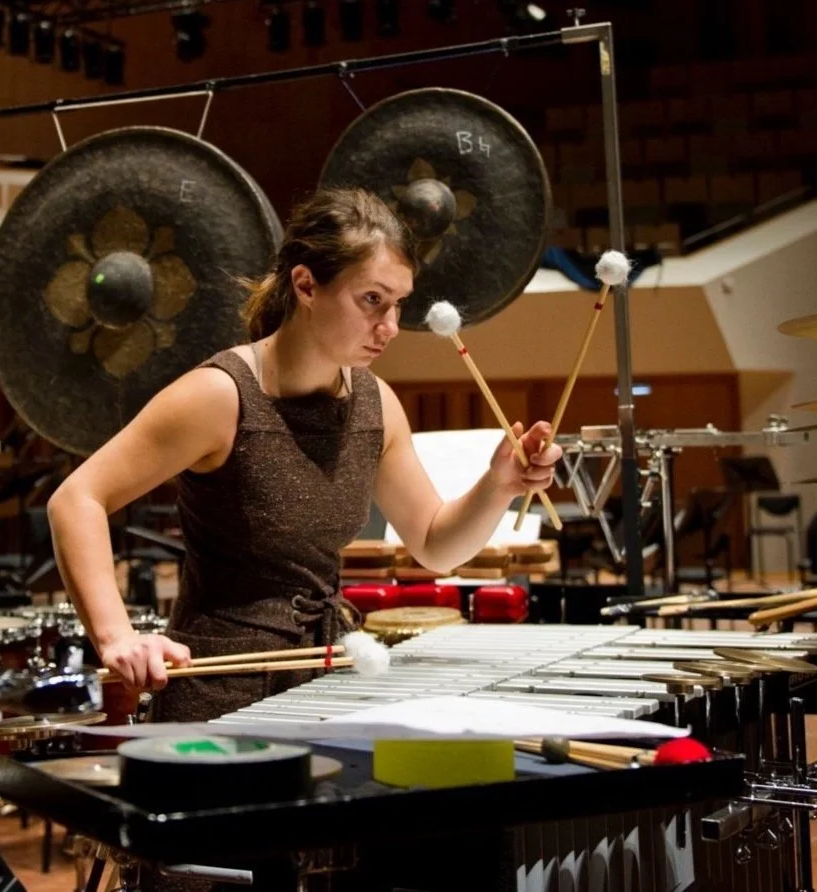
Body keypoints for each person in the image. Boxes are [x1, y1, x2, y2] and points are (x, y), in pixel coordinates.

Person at [47, 186, 561, 728]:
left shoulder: (376, 405)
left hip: (326, 677)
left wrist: (499, 484)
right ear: (306, 285)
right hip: (219, 695)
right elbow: (77, 499)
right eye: (372, 299)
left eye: (398, 304)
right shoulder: (220, 396)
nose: (389, 326)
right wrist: (116, 636)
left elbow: (435, 543)